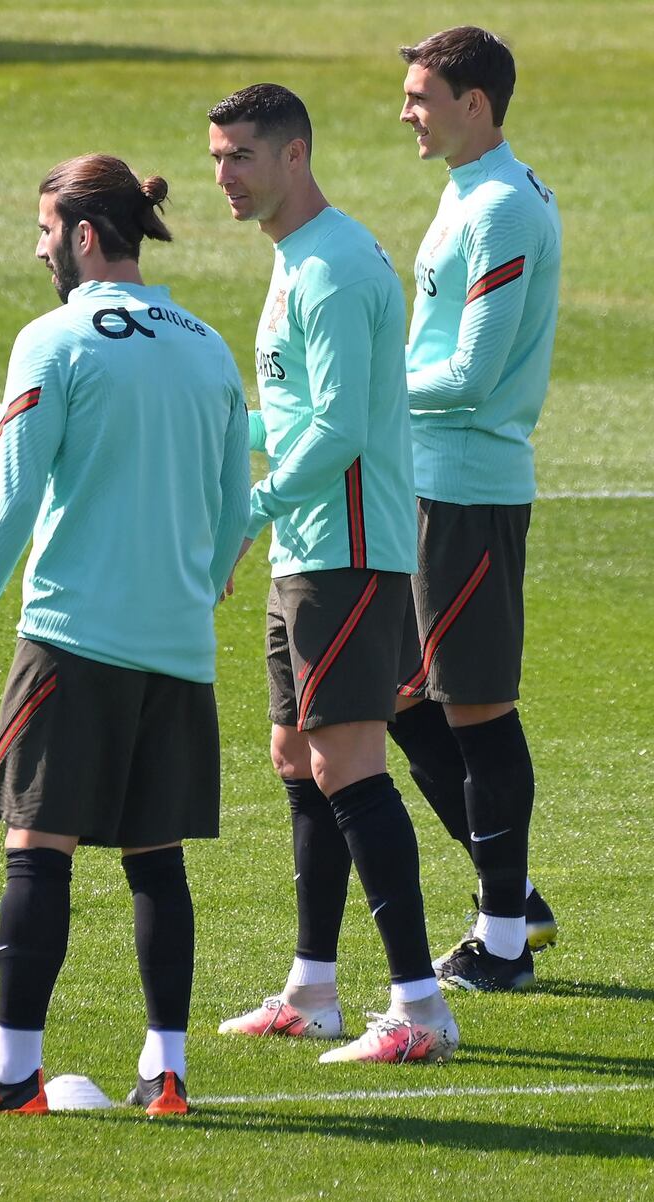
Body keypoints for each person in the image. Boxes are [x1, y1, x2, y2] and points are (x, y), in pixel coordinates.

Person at [0, 154, 250, 1116]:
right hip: (178, 649)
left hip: (73, 638)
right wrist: (200, 584)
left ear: (86, 235)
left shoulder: (54, 340)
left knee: (37, 846)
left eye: (46, 229)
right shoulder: (207, 346)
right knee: (157, 856)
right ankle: (167, 1070)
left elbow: (10, 502)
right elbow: (237, 509)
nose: (39, 247)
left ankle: (14, 1071)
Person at [208, 84, 458, 1064]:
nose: (221, 177)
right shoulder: (294, 259)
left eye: (238, 158)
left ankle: (420, 1011)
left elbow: (342, 429)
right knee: (294, 755)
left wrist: (246, 509)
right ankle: (314, 988)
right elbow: (299, 412)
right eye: (216, 157)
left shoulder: (338, 265)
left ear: (293, 154)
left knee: (348, 763)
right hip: (308, 546)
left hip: (348, 550)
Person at [387, 26, 562, 991]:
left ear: (475, 104)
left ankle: (501, 942)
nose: (406, 112)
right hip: (428, 482)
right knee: (402, 696)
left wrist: (367, 398)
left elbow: (473, 373)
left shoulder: (500, 208)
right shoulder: (473, 197)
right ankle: (516, 897)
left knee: (478, 708)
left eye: (421, 96)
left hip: (467, 488)